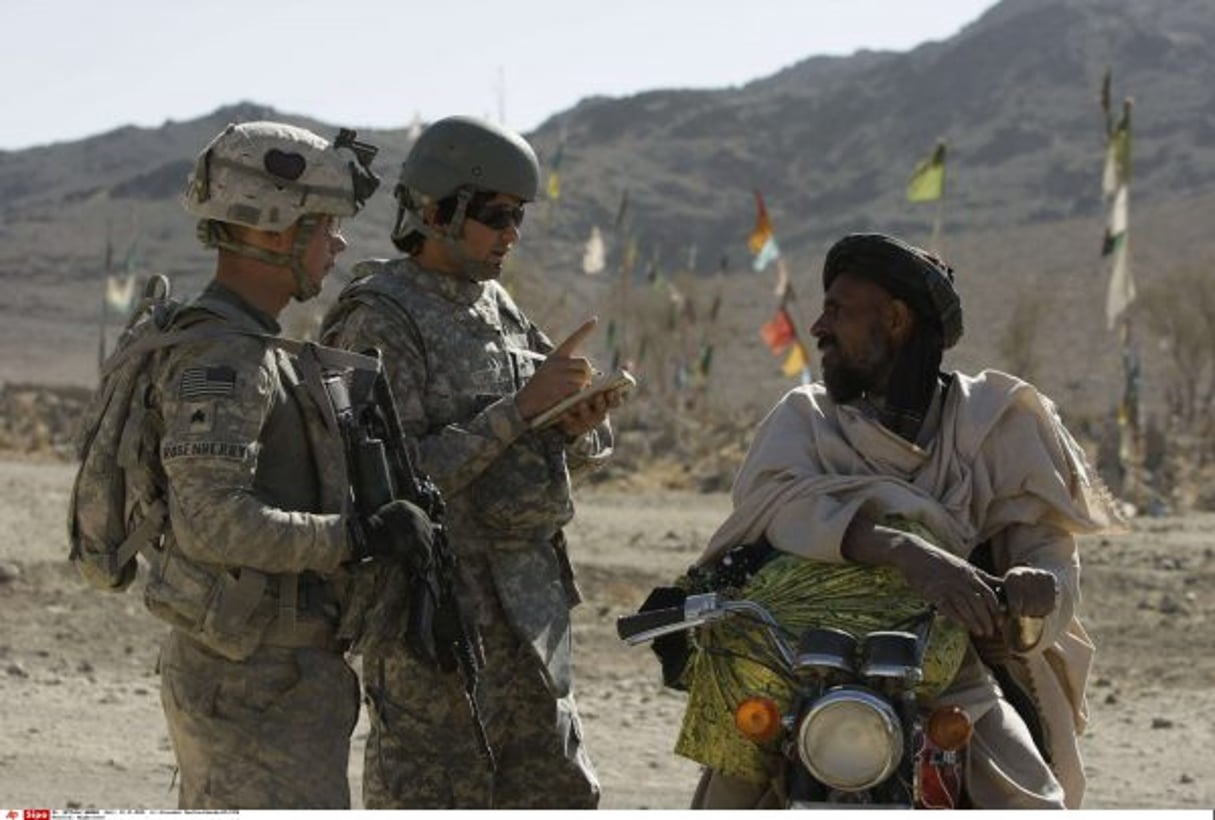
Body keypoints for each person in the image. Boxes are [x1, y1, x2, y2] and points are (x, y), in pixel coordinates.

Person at [690, 233, 1120, 809]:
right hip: (796, 667)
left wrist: (1032, 596)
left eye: (838, 311)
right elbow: (776, 511)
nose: (818, 327)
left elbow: (1050, 562)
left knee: (1036, 805)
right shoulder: (805, 420)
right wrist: (905, 552)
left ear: (894, 320)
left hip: (951, 679)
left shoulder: (995, 426)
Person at [321, 115, 619, 808]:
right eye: (495, 216)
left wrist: (577, 425)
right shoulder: (378, 318)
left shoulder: (501, 307)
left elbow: (559, 441)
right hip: (436, 627)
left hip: (529, 617)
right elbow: (387, 486)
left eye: (517, 217)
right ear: (433, 212)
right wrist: (516, 413)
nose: (511, 233)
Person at [146, 121, 432, 808]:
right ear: (275, 231)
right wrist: (356, 537)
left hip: (273, 674)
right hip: (250, 681)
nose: (336, 244)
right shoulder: (223, 360)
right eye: (324, 224)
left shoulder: (251, 349)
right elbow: (212, 523)